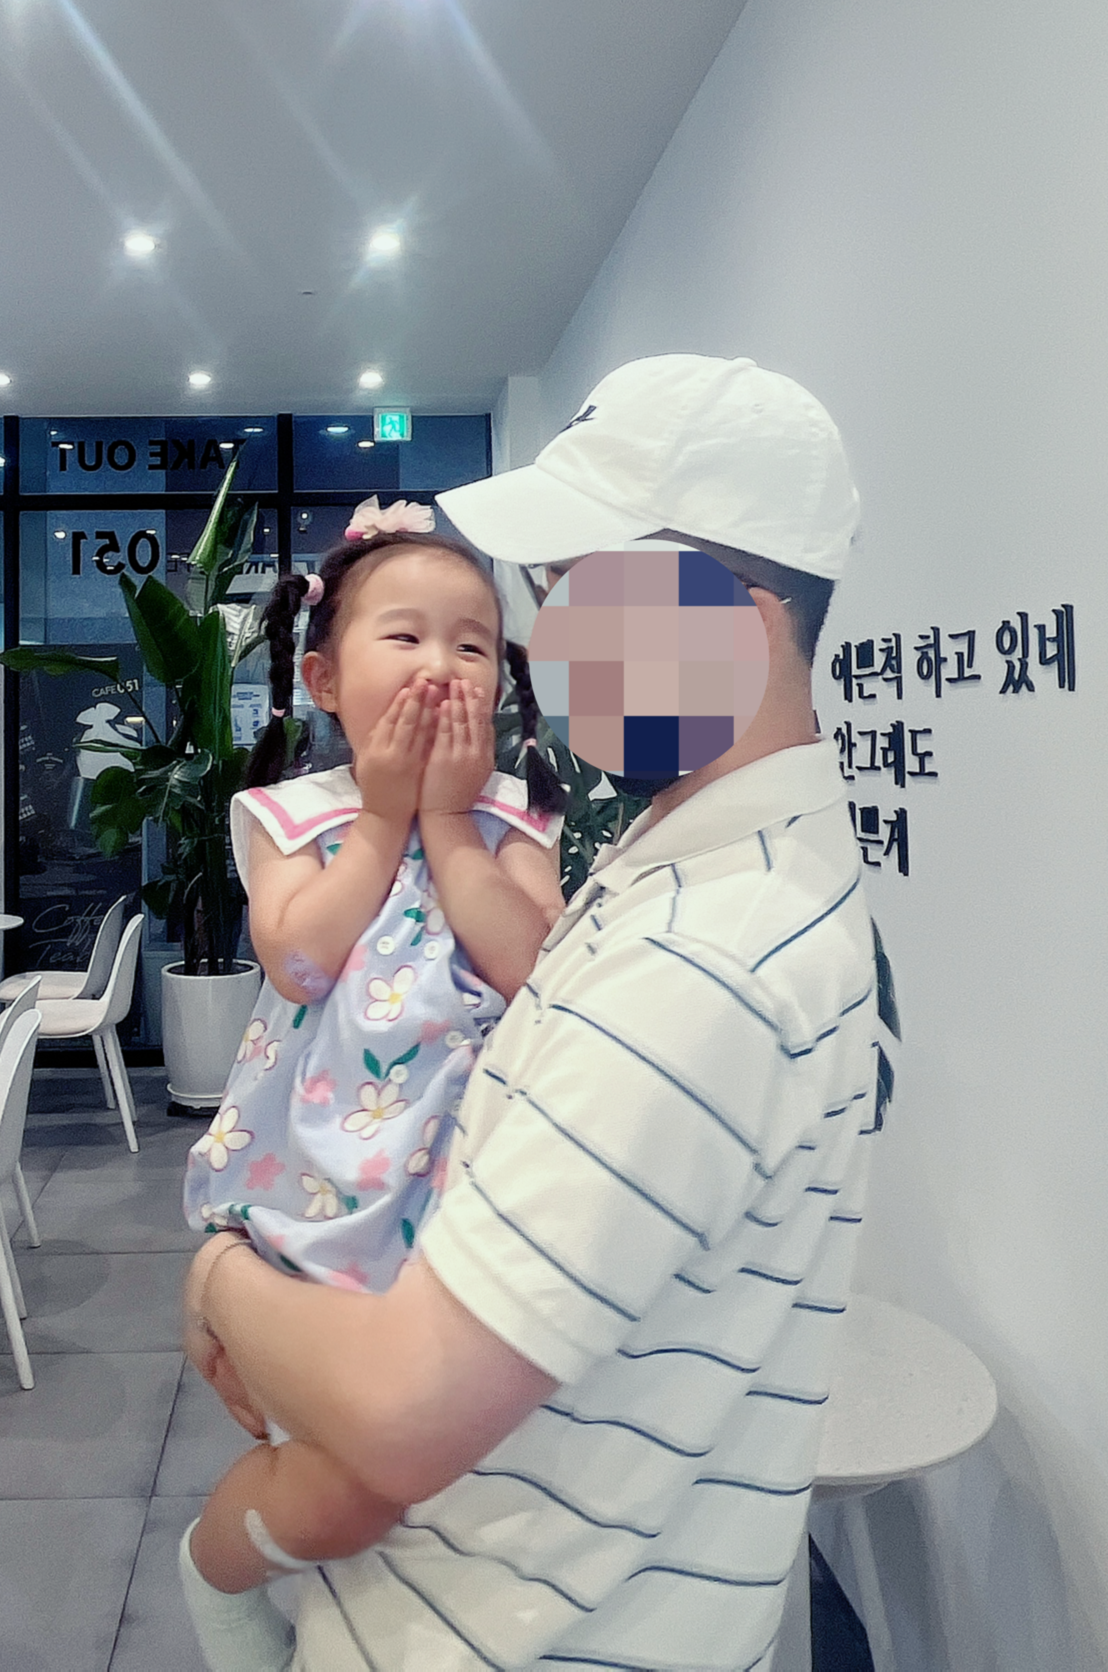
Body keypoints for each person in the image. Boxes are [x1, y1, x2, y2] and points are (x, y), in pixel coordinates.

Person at [180, 354, 880, 1672]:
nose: (545, 647)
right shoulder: (684, 858)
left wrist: (217, 1276)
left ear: (737, 616)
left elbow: (401, 1407)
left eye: (579, 594)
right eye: (550, 598)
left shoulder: (705, 954)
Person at [179, 506, 566, 1655]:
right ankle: (218, 1565)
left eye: (471, 643)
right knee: (344, 1475)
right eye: (404, 636)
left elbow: (531, 963)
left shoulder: (513, 815)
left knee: (453, 1451)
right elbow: (298, 961)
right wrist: (385, 815)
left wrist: (447, 818)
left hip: (474, 1177)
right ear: (323, 678)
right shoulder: (290, 813)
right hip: (319, 1181)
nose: (440, 664)